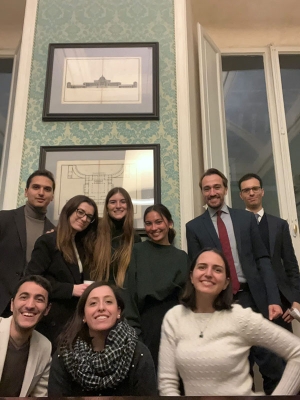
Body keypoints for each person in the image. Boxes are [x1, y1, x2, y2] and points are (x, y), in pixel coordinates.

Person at [185, 168, 285, 394]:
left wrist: (273, 299)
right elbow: (197, 273)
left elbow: (262, 260)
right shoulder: (194, 227)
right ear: (202, 192)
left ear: (225, 189)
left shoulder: (246, 219)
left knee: (272, 365)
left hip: (254, 299)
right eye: (207, 188)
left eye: (216, 187)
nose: (212, 192)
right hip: (221, 303)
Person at [158, 248, 300, 396]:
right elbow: (167, 383)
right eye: (202, 267)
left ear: (226, 283)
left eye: (217, 270)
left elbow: (297, 352)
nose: (208, 273)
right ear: (191, 277)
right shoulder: (174, 318)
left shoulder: (241, 317)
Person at [48, 282, 157, 396]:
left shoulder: (138, 353)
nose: (101, 308)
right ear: (83, 315)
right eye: (93, 303)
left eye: (108, 302)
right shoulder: (65, 354)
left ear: (118, 311)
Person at [26, 195, 98, 348]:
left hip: (76, 321)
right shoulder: (48, 241)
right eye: (80, 212)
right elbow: (32, 280)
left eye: (89, 216)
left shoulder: (83, 246)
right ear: (69, 210)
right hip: (52, 322)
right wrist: (71, 289)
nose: (84, 218)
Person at [124, 204, 190, 369]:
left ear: (169, 223)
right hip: (146, 326)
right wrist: (135, 333)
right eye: (148, 223)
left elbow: (188, 299)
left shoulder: (182, 258)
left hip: (176, 328)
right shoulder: (137, 252)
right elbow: (129, 294)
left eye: (158, 222)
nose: (154, 228)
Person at [239, 172, 300, 330]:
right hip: (248, 299)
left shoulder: (279, 225)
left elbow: (291, 265)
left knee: (282, 352)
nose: (251, 193)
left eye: (255, 188)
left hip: (281, 300)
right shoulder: (236, 226)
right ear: (241, 195)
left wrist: (297, 300)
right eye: (246, 190)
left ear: (262, 191)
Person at [0, 169, 55, 317]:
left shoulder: (54, 233)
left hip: (31, 309)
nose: (41, 192)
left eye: (47, 189)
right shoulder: (3, 219)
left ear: (52, 196)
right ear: (26, 191)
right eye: (36, 187)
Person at [0, 275, 52, 397]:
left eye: (39, 299)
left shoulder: (45, 347)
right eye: (24, 297)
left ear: (47, 309)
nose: (30, 305)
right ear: (12, 304)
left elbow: (39, 396)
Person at [92, 187, 141, 287]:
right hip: (99, 292)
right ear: (107, 207)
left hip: (124, 295)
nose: (118, 206)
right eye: (113, 202)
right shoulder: (95, 232)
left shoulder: (135, 238)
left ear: (129, 206)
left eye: (123, 202)